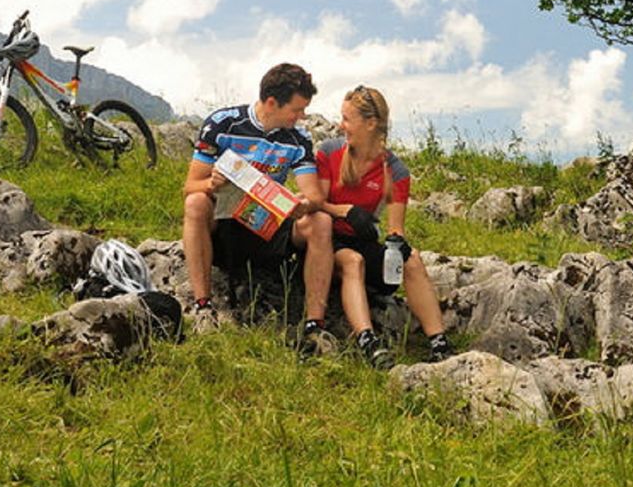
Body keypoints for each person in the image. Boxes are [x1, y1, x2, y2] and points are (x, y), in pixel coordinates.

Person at [183, 63, 336, 354]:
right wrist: (211, 184)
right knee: (196, 202)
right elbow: (190, 186)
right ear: (271, 103)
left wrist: (304, 205)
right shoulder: (222, 123)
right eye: (297, 109)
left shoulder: (298, 138)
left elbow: (314, 195)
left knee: (321, 222)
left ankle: (315, 327)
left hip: (268, 227)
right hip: (225, 226)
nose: (302, 116)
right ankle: (203, 307)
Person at [315, 85, 453, 367]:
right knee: (353, 261)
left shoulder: (395, 170)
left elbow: (395, 228)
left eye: (346, 119)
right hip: (326, 241)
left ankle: (439, 343)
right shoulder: (329, 152)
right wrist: (346, 212)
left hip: (364, 240)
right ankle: (368, 343)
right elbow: (314, 204)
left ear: (370, 123)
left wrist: (395, 242)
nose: (341, 125)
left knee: (411, 258)